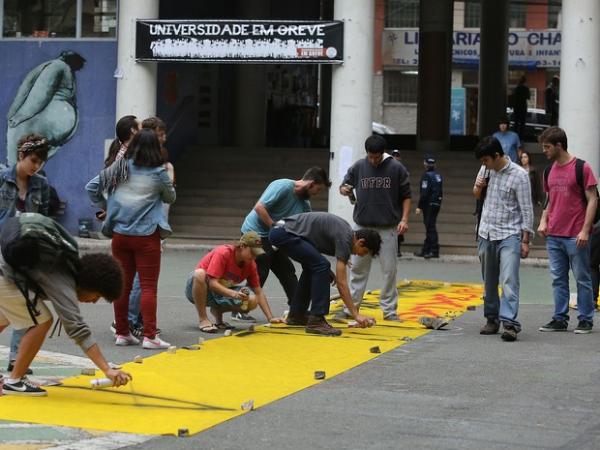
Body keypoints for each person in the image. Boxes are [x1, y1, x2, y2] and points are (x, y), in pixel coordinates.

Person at [0, 214, 131, 396]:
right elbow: (77, 328)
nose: (93, 301)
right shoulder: (63, 279)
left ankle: (16, 377)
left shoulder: (66, 261)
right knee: (42, 321)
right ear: (91, 284)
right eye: (97, 296)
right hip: (5, 276)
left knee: (7, 316)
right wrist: (107, 369)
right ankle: (14, 381)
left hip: (4, 268)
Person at [86, 129, 176, 349]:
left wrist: (108, 206)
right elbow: (170, 196)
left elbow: (92, 187)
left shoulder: (121, 168)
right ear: (156, 148)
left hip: (120, 235)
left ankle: (123, 333)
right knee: (148, 287)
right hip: (147, 236)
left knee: (122, 286)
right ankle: (150, 336)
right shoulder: (158, 173)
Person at [239, 167, 331, 323]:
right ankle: (241, 308)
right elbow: (259, 208)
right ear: (311, 183)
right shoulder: (283, 185)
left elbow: (305, 233)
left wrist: (316, 258)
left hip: (275, 238)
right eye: (318, 189)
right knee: (262, 265)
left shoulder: (305, 205)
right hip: (255, 232)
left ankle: (297, 311)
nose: (317, 194)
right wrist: (274, 227)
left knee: (287, 270)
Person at [269, 212, 381, 336]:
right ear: (360, 242)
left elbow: (313, 243)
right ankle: (317, 320)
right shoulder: (345, 238)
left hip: (282, 231)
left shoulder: (346, 234)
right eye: (364, 251)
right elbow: (341, 283)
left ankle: (297, 315)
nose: (361, 255)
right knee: (322, 266)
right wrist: (356, 314)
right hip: (284, 233)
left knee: (314, 268)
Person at [339, 135, 411, 321]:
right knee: (357, 269)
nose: (373, 160)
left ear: (383, 153)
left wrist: (404, 219)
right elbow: (344, 185)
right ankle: (351, 308)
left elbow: (406, 195)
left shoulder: (396, 168)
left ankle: (389, 310)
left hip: (387, 226)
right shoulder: (359, 166)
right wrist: (344, 189)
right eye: (370, 157)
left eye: (377, 157)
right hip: (362, 225)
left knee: (389, 269)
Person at [473, 136, 534, 342]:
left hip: (510, 234)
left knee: (509, 279)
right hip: (486, 232)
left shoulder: (519, 175)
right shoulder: (485, 170)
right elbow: (476, 194)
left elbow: (526, 209)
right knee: (489, 281)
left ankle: (509, 323)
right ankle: (491, 319)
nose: (483, 164)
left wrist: (526, 239)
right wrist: (479, 187)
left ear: (497, 156)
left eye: (486, 160)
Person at [537, 127, 597, 333]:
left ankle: (586, 319)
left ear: (559, 146)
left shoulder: (581, 167)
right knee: (558, 279)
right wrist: (543, 220)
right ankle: (560, 318)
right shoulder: (548, 171)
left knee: (582, 278)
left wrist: (585, 230)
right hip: (554, 235)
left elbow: (593, 199)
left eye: (547, 147)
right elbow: (549, 199)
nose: (544, 150)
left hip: (576, 235)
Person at [0, 134, 50, 375]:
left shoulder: (41, 185)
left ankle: (16, 358)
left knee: (25, 303)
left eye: (40, 162)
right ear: (21, 155)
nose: (36, 166)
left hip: (25, 253)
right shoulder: (2, 180)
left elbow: (45, 220)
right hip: (1, 250)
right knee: (14, 307)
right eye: (33, 160)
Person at [124, 116, 175, 336]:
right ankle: (133, 323)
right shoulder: (152, 167)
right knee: (142, 280)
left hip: (130, 227)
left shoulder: (129, 161)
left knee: (136, 278)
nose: (163, 138)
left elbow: (98, 188)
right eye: (160, 134)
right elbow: (170, 195)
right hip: (145, 227)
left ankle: (131, 323)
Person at [185, 231, 284, 332]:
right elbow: (212, 283)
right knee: (200, 274)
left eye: (256, 254)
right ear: (242, 246)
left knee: (253, 300)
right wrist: (234, 294)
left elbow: (258, 292)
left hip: (220, 292)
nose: (254, 257)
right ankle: (203, 319)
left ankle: (218, 312)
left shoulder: (250, 264)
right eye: (252, 253)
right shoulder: (223, 253)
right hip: (198, 289)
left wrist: (270, 318)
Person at [6, 51, 86, 165]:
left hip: (53, 117)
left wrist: (20, 116)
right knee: (35, 154)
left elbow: (42, 93)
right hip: (63, 120)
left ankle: (14, 171)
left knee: (17, 132)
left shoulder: (58, 65)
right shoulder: (67, 70)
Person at [414, 155, 443, 259]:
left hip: (429, 204)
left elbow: (424, 193)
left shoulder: (426, 176)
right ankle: (426, 249)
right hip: (436, 203)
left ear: (425, 164)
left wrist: (419, 206)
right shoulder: (438, 176)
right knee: (430, 226)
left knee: (430, 227)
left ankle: (434, 250)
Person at [391, 149, 404, 257]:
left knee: (399, 228)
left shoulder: (402, 171)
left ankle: (398, 249)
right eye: (394, 155)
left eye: (397, 156)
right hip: (388, 203)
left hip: (398, 203)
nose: (395, 157)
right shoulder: (386, 169)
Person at [513, 75, 530, 140]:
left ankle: (515, 137)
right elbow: (528, 97)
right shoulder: (526, 88)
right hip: (523, 107)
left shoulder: (517, 88)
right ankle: (520, 138)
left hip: (517, 107)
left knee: (516, 123)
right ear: (525, 81)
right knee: (522, 123)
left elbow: (514, 98)